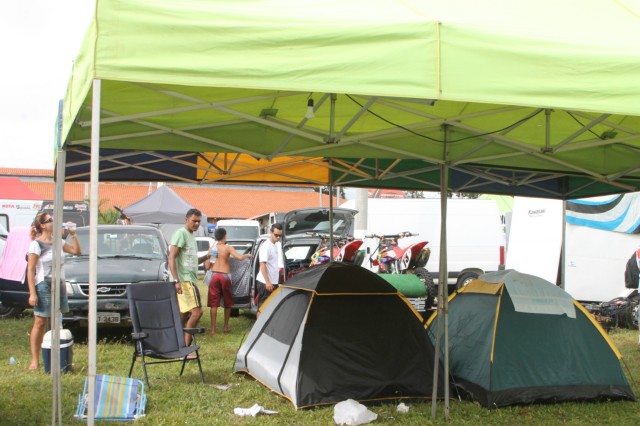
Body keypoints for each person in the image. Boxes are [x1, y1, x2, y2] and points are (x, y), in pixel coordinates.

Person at [27, 212, 81, 370]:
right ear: (42, 225)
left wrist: (73, 235)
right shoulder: (36, 244)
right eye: (50, 220)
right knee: (40, 322)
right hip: (44, 284)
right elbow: (30, 270)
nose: (54, 221)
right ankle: (35, 361)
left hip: (60, 283)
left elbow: (76, 251)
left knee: (58, 320)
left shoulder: (59, 241)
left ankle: (57, 357)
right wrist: (32, 293)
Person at [168, 208, 209, 346]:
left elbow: (193, 262)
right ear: (186, 220)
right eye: (194, 221)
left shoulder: (191, 236)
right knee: (197, 312)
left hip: (190, 280)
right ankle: (185, 347)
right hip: (184, 281)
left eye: (199, 221)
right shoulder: (181, 234)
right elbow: (171, 258)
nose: (197, 224)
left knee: (184, 314)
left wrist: (208, 256)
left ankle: (174, 340)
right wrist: (176, 280)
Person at [204, 227, 252, 334]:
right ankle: (225, 327)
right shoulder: (228, 248)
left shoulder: (212, 249)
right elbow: (239, 258)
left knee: (213, 303)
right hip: (225, 276)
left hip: (214, 275)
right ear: (225, 236)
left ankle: (213, 329)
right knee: (227, 302)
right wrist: (247, 255)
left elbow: (207, 266)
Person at [256, 223, 283, 317]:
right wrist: (267, 282)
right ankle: (258, 329)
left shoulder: (276, 245)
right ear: (271, 233)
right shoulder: (266, 246)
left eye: (280, 235)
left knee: (271, 308)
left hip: (273, 282)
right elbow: (262, 264)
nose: (278, 237)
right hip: (265, 282)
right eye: (276, 235)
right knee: (262, 308)